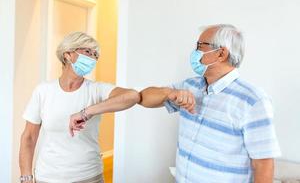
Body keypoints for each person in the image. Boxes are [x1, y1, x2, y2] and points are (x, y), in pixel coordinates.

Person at [139, 24, 281, 183]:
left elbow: (264, 165)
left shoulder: (253, 101)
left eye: (200, 46)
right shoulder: (189, 86)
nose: (195, 52)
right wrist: (169, 93)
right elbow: (144, 98)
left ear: (221, 53)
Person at [19, 32, 141, 183]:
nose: (92, 58)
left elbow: (133, 96)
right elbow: (29, 137)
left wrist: (87, 112)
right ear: (68, 54)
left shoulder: (96, 89)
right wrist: (26, 177)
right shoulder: (43, 91)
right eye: (87, 51)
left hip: (88, 176)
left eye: (95, 54)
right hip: (47, 176)